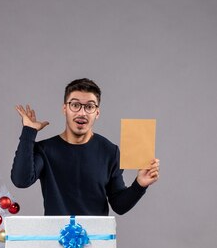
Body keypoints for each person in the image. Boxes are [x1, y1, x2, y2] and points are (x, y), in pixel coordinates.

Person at [11, 78, 159, 216]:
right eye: (75, 105)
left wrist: (140, 184)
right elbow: (21, 180)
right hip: (56, 239)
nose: (82, 113)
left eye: (89, 106)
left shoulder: (110, 151)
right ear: (65, 109)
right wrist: (29, 132)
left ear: (97, 112)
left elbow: (119, 206)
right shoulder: (45, 150)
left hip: (96, 240)